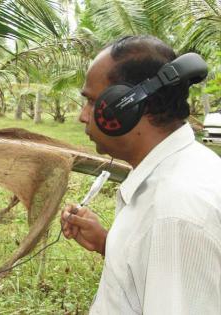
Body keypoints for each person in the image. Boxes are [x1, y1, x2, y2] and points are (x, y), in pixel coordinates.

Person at [61, 35, 221, 314]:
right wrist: (108, 243)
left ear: (125, 106)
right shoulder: (185, 168)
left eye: (91, 102)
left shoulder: (174, 212)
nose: (83, 116)